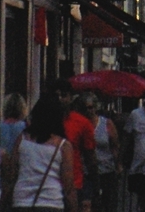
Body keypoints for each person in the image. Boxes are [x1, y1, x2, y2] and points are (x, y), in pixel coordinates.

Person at [6, 96, 76, 212]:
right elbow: (68, 187)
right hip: (51, 201)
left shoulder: (22, 139)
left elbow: (11, 175)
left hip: (21, 201)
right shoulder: (63, 146)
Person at [49, 83, 96, 212]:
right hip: (48, 185)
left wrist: (91, 188)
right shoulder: (43, 123)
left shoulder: (82, 123)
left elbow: (90, 158)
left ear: (70, 98)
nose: (59, 99)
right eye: (56, 95)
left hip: (74, 183)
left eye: (63, 95)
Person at [85, 95, 120, 212]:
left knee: (108, 205)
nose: (88, 111)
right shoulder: (81, 125)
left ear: (95, 108)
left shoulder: (106, 123)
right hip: (87, 172)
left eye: (90, 107)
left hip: (106, 171)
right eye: (85, 108)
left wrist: (118, 166)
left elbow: (114, 146)